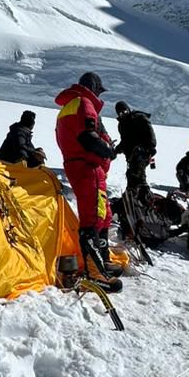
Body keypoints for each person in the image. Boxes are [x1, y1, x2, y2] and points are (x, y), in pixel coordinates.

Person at [54, 71, 120, 278]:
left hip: (85, 166)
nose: (99, 95)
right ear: (93, 87)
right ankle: (95, 272)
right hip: (87, 166)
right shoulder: (83, 102)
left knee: (103, 215)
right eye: (98, 90)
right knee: (92, 218)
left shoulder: (69, 106)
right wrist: (109, 151)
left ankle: (103, 260)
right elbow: (87, 137)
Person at [114, 101, 157, 201]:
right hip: (131, 156)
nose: (123, 114)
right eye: (121, 113)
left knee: (137, 174)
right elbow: (125, 141)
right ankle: (133, 196)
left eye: (125, 111)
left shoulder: (139, 118)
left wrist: (150, 148)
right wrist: (117, 150)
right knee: (132, 174)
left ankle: (143, 196)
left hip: (143, 152)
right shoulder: (121, 125)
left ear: (128, 109)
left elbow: (150, 133)